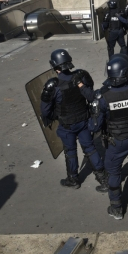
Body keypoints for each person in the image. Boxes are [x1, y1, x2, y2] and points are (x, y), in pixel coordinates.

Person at [78, 56, 128, 219]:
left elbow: (94, 126)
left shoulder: (103, 96)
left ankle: (117, 209)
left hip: (115, 142)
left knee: (114, 175)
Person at [39, 49, 108, 191]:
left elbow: (45, 111)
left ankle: (73, 179)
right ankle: (103, 179)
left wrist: (55, 115)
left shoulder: (54, 85)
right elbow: (90, 93)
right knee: (90, 148)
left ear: (55, 66)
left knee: (70, 151)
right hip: (83, 121)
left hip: (66, 125)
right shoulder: (81, 77)